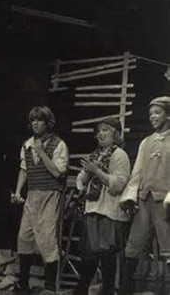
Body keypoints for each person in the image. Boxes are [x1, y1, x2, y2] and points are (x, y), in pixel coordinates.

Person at [11, 106, 69, 293]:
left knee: (47, 239)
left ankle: (50, 287)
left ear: (48, 123)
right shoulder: (27, 144)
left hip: (51, 194)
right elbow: (24, 169)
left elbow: (58, 173)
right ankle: (24, 284)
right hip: (33, 194)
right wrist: (19, 191)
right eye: (33, 120)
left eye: (40, 120)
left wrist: (42, 152)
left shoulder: (58, 144)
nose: (35, 123)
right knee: (24, 237)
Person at [119, 96, 170, 294]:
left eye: (157, 112)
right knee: (133, 248)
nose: (153, 117)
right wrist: (131, 197)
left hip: (165, 203)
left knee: (168, 247)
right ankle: (125, 291)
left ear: (168, 114)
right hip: (144, 200)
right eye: (150, 114)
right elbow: (137, 172)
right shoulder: (145, 142)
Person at [74, 118, 131, 295]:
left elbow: (118, 184)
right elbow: (79, 180)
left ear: (116, 134)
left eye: (105, 130)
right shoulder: (95, 155)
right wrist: (87, 174)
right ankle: (81, 290)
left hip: (109, 211)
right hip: (92, 208)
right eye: (99, 131)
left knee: (106, 255)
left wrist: (97, 171)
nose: (100, 134)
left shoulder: (119, 155)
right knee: (89, 255)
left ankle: (107, 291)